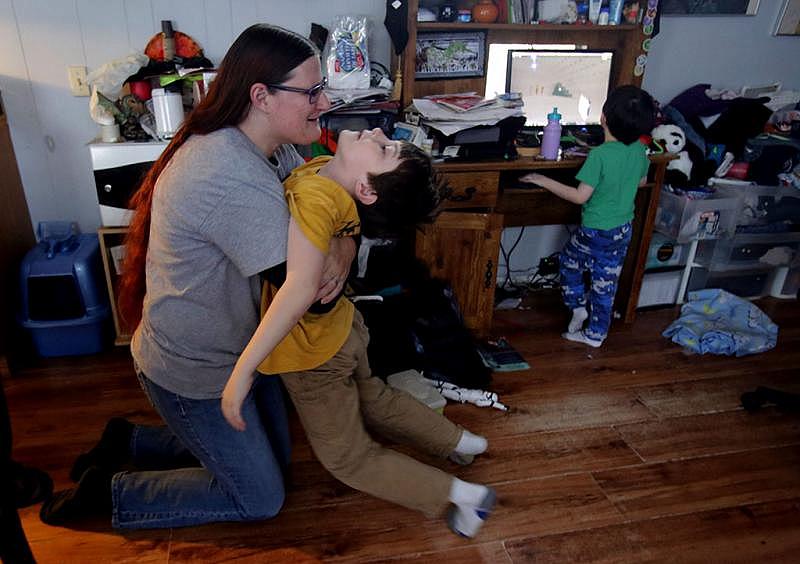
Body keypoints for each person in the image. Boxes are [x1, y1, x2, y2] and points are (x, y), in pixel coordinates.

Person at [40, 23, 355, 529]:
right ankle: (111, 493)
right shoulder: (227, 172)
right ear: (262, 96)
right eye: (312, 92)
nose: (324, 104)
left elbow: (335, 203)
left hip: (242, 353)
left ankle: (130, 440)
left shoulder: (274, 148)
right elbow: (316, 293)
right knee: (261, 498)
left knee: (279, 458)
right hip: (197, 372)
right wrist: (341, 242)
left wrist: (340, 239)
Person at [221, 128, 496, 538]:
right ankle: (457, 440)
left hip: (316, 355)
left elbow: (298, 287)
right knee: (374, 398)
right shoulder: (324, 174)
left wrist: (243, 372)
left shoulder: (319, 198)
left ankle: (463, 497)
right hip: (346, 329)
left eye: (384, 149)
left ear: (366, 188)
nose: (379, 132)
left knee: (349, 459)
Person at [519, 85, 656, 348]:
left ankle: (578, 307)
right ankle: (596, 332)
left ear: (603, 117)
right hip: (622, 228)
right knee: (606, 281)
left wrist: (540, 179)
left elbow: (580, 196)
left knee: (570, 262)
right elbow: (641, 181)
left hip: (595, 230)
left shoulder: (600, 155)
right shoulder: (640, 150)